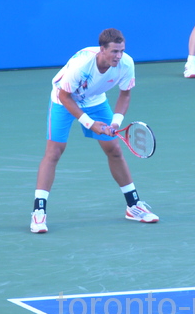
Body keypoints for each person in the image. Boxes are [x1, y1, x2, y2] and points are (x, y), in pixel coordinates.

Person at [30, 28, 159, 233]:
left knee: (114, 150)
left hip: (95, 101)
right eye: (114, 51)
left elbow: (125, 95)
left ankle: (133, 206)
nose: (119, 56)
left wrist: (115, 123)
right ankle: (38, 212)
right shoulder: (82, 65)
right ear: (102, 49)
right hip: (64, 100)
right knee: (54, 152)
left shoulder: (126, 63)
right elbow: (65, 96)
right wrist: (90, 123)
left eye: (122, 51)